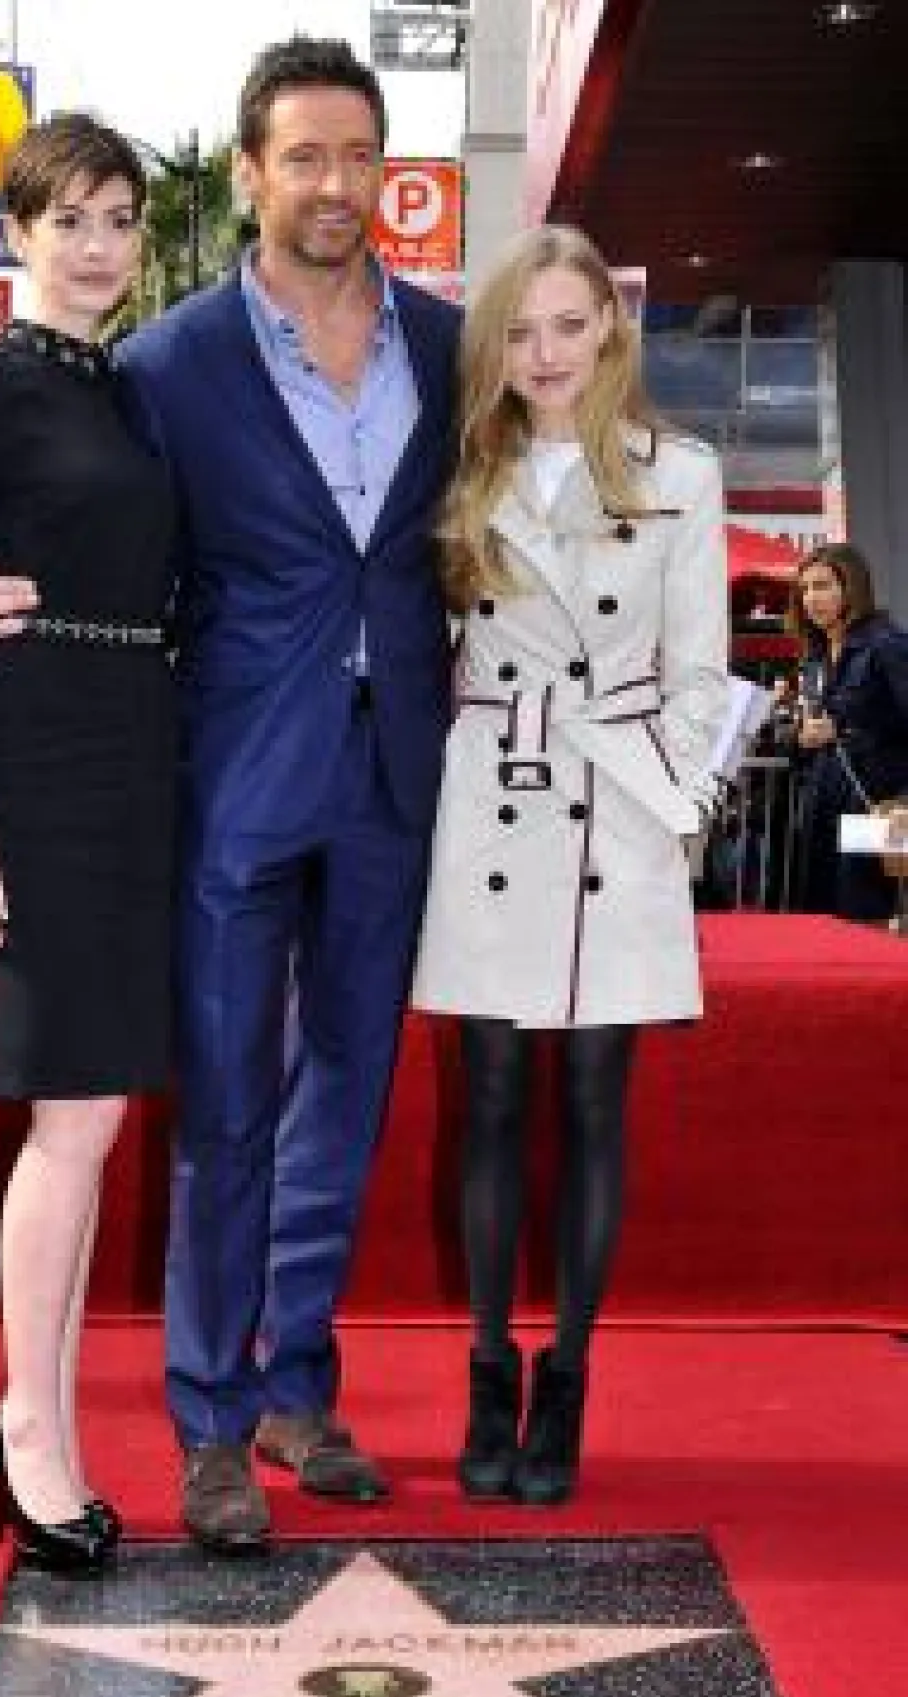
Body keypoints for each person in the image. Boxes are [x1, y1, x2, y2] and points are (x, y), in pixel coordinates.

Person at [0, 38, 461, 1552]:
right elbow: (93, 528)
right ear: (250, 175)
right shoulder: (167, 363)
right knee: (227, 1102)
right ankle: (215, 1422)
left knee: (348, 1090)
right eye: (302, 157)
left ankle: (301, 1386)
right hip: (230, 774)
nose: (333, 183)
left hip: (396, 773)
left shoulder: (451, 345)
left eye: (357, 155)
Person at [0, 114, 178, 1574]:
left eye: (119, 218)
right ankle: (31, 1434)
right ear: (16, 233)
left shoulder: (128, 389)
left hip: (133, 777)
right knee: (69, 1125)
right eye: (69, 219)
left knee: (96, 1120)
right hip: (29, 784)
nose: (98, 245)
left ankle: (40, 1420)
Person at [412, 225, 729, 1506]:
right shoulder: (460, 472)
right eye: (519, 331)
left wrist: (675, 803)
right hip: (493, 800)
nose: (543, 354)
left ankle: (569, 1379)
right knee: (489, 1097)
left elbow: (702, 673)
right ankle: (490, 1369)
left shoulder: (681, 474)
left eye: (566, 325)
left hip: (620, 807)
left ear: (610, 329)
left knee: (598, 1101)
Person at [790, 542, 908, 924]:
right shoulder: (814, 657)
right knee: (823, 913)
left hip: (876, 800)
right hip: (824, 800)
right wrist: (801, 734)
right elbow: (811, 730)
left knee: (865, 910)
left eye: (823, 586)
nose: (811, 598)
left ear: (851, 587)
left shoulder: (886, 644)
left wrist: (845, 728)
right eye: (805, 589)